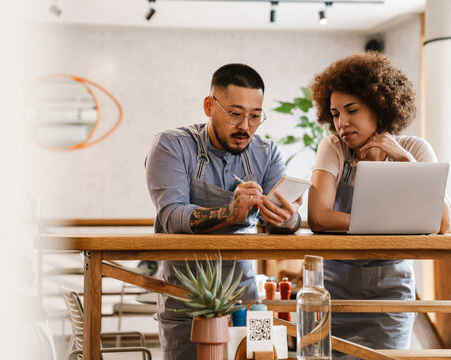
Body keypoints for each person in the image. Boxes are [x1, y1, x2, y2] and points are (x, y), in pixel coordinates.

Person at [145, 63, 302, 360]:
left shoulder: (267, 153)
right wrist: (230, 213)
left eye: (255, 116)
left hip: (247, 300)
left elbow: (288, 216)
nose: (246, 126)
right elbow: (171, 217)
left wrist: (288, 218)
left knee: (257, 356)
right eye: (235, 114)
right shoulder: (171, 145)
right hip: (185, 300)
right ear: (209, 106)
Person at [308, 52, 451, 358]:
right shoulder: (334, 148)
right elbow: (319, 217)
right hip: (335, 290)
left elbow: (442, 224)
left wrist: (405, 161)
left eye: (351, 110)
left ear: (379, 107)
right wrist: (389, 224)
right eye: (334, 114)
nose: (341, 123)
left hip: (392, 292)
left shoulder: (415, 148)